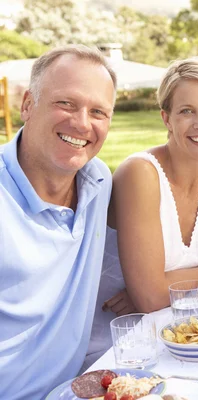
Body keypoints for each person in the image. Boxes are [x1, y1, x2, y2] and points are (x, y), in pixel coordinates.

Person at [84, 57, 198, 368]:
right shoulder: (140, 174)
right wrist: (154, 292)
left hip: (186, 327)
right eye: (186, 111)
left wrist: (161, 289)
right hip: (118, 338)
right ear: (166, 118)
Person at [0, 45, 116, 399]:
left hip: (73, 388)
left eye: (98, 111)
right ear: (27, 105)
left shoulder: (98, 182)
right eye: (66, 103)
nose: (82, 123)